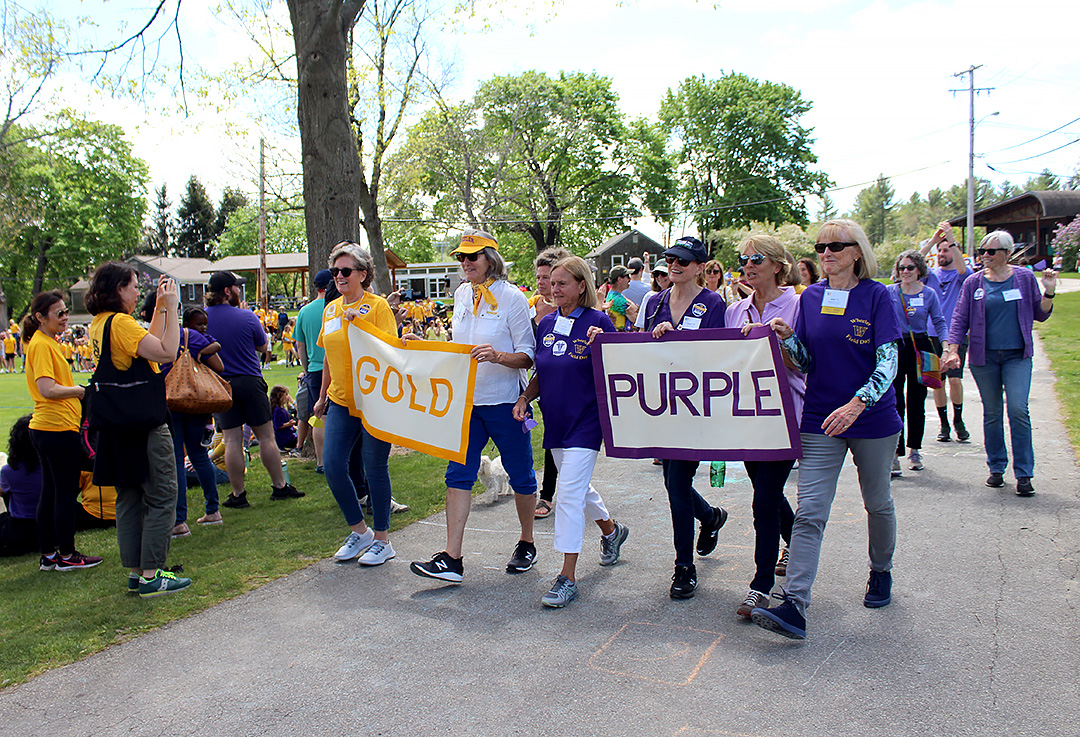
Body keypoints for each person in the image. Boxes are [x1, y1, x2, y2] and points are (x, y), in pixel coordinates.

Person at [751, 219, 901, 640]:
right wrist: (787, 340)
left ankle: (881, 570)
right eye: (820, 246)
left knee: (877, 502)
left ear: (857, 252)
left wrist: (858, 403)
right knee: (810, 512)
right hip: (820, 417)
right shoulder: (811, 297)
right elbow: (807, 362)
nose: (826, 252)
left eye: (836, 245)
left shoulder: (878, 296)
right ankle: (794, 604)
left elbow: (888, 361)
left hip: (870, 417)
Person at [410, 229, 538, 583]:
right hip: (466, 404)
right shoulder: (462, 294)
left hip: (504, 403)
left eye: (472, 257)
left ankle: (527, 541)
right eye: (461, 257)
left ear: (490, 259)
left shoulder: (513, 298)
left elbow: (528, 356)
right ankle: (452, 557)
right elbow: (457, 348)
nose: (465, 263)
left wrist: (498, 356)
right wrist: (423, 346)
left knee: (522, 475)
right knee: (458, 475)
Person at [513, 256, 629, 607]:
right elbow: (543, 372)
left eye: (563, 282)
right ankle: (611, 530)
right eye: (552, 281)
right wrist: (524, 397)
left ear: (582, 286)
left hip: (587, 421)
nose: (555, 287)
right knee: (579, 487)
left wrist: (605, 344)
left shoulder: (599, 322)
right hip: (556, 421)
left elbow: (623, 367)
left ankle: (566, 576)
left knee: (567, 495)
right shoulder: (546, 323)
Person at [86, 262, 192, 597]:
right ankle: (152, 574)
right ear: (117, 289)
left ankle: (136, 571)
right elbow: (165, 350)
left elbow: (149, 341)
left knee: (129, 498)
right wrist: (173, 308)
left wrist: (160, 307)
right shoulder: (120, 323)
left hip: (117, 428)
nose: (136, 292)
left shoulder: (100, 324)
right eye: (132, 286)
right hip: (144, 424)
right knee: (162, 496)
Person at [642, 236, 729, 599]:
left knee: (676, 482)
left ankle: (684, 566)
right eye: (670, 259)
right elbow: (640, 351)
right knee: (673, 482)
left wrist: (677, 338)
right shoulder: (655, 302)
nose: (674, 265)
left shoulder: (712, 303)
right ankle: (710, 517)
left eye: (682, 260)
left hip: (697, 407)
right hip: (663, 407)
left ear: (698, 267)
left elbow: (720, 352)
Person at [723, 235, 805, 618]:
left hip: (786, 414)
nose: (748, 265)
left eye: (756, 258)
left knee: (763, 500)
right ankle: (797, 544)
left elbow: (803, 363)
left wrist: (778, 341)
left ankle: (761, 586)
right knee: (767, 492)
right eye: (743, 259)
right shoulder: (734, 310)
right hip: (746, 414)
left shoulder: (797, 305)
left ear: (777, 264)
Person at [943, 230, 1056, 496]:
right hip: (986, 358)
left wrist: (1049, 292)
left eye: (990, 252)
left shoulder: (1024, 277)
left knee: (1018, 410)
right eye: (982, 251)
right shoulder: (973, 282)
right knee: (992, 413)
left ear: (1007, 253)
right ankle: (996, 467)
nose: (984, 256)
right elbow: (959, 319)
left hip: (1017, 356)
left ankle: (1025, 474)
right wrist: (952, 350)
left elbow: (1041, 315)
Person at [312, 242, 400, 566]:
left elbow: (391, 351)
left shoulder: (378, 307)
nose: (339, 276)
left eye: (346, 271)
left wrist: (359, 323)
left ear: (363, 274)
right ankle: (359, 531)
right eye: (335, 271)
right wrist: (321, 397)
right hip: (339, 400)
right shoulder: (331, 309)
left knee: (374, 467)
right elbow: (327, 357)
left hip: (375, 401)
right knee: (333, 466)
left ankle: (382, 539)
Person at [205, 271, 303, 507]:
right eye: (237, 287)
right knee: (266, 437)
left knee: (231, 440)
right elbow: (262, 346)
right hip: (250, 381)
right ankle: (280, 486)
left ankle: (238, 494)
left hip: (222, 385)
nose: (240, 291)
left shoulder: (203, 318)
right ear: (228, 291)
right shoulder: (247, 317)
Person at [22, 291, 101, 571]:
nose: (65, 317)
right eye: (59, 313)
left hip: (49, 426)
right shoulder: (42, 345)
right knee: (64, 493)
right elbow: (47, 389)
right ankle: (67, 554)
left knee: (52, 492)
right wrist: (81, 391)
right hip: (54, 427)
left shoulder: (46, 343)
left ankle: (50, 553)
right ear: (41, 318)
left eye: (66, 311)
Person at [164, 306, 227, 535]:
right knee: (199, 456)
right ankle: (213, 509)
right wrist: (198, 357)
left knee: (176, 460)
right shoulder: (194, 338)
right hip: (196, 404)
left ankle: (179, 520)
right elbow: (219, 366)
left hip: (170, 403)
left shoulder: (161, 335)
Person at [888, 250, 947, 474]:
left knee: (916, 401)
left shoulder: (929, 293)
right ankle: (894, 452)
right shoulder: (890, 291)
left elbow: (939, 321)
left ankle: (914, 449)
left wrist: (947, 345)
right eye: (902, 268)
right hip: (897, 346)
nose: (905, 272)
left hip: (920, 346)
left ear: (919, 270)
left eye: (910, 267)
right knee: (895, 401)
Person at [529, 247, 571, 520]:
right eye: (539, 277)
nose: (542, 283)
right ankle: (548, 494)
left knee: (565, 440)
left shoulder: (571, 308)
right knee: (553, 437)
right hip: (541, 381)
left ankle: (560, 491)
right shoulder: (529, 306)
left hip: (569, 383)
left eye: (548, 277)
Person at [920, 222, 970, 442]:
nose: (942, 253)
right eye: (939, 250)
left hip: (955, 336)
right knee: (936, 381)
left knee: (955, 380)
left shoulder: (962, 275)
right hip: (931, 336)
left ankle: (958, 419)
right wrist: (932, 241)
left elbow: (962, 269)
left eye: (946, 249)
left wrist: (951, 238)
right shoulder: (930, 276)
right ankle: (944, 425)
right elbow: (911, 262)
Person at [293, 269, 332, 473]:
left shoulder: (304, 311)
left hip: (315, 369)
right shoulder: (335, 307)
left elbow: (300, 345)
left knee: (320, 416)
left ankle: (321, 462)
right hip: (337, 366)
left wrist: (306, 369)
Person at [0, 415, 41, 556]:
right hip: (50, 529)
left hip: (21, 530)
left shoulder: (9, 471)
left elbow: (2, 491)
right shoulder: (52, 468)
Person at [270, 385, 298, 451]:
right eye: (286, 395)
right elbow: (277, 425)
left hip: (288, 435)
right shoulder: (277, 410)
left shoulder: (282, 408)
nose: (287, 397)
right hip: (285, 439)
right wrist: (289, 424)